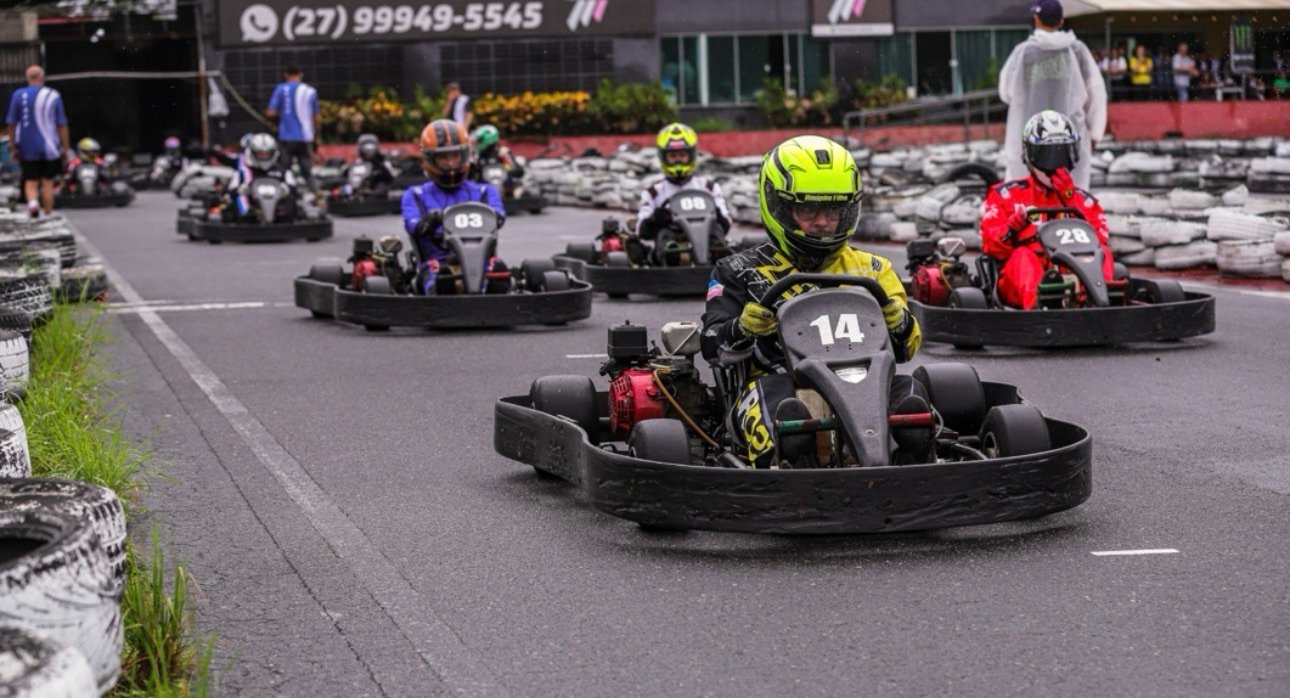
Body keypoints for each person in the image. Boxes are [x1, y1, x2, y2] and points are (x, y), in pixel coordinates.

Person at [699, 135, 924, 469]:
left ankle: (914, 459)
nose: (821, 221)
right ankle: (794, 463)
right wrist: (742, 327)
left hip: (868, 381)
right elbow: (711, 346)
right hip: (780, 381)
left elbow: (905, 351)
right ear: (779, 207)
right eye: (808, 209)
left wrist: (899, 322)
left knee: (913, 397)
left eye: (833, 210)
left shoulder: (874, 270)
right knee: (785, 410)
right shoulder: (738, 271)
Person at [980, 110, 1113, 311]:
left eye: (1062, 154)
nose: (1056, 164)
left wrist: (1069, 198)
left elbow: (1099, 239)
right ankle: (1041, 306)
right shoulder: (1006, 196)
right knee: (1023, 256)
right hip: (1021, 280)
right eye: (1049, 155)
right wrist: (1014, 227)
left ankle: (1103, 304)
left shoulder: (1083, 201)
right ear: (1031, 156)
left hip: (1076, 270)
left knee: (1103, 252)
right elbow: (993, 248)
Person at [998, 0, 1106, 189]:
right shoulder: (1077, 50)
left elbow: (1007, 92)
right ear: (1061, 21)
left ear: (1036, 20)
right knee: (1071, 192)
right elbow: (1095, 91)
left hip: (1030, 135)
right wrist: (1096, 132)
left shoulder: (1024, 52)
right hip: (1070, 136)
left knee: (1028, 192)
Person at [401, 119, 505, 295]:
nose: (450, 163)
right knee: (437, 276)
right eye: (443, 157)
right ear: (430, 159)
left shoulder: (484, 191)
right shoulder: (415, 194)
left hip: (481, 261)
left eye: (454, 156)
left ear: (464, 155)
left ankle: (495, 286)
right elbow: (413, 226)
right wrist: (429, 220)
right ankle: (442, 291)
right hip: (437, 262)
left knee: (498, 269)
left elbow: (499, 217)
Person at [635, 122, 733, 265]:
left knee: (716, 229)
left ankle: (719, 260)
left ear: (691, 155)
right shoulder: (654, 192)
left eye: (682, 155)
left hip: (705, 240)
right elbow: (640, 230)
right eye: (673, 156)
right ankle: (671, 262)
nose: (678, 160)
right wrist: (654, 219)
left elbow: (726, 224)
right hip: (671, 244)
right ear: (664, 157)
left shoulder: (708, 187)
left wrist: (715, 213)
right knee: (664, 234)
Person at [5, 65, 70, 217]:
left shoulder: (18, 95)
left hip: (27, 147)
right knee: (48, 181)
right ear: (42, 77)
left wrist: (13, 145)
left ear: (27, 78)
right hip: (50, 147)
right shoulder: (53, 95)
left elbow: (11, 124)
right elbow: (61, 124)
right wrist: (65, 148)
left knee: (31, 180)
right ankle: (48, 213)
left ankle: (33, 203)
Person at [221, 132, 300, 221]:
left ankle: (287, 221)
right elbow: (231, 190)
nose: (263, 157)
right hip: (253, 210)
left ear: (273, 153)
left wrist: (286, 189)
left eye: (267, 154)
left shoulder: (283, 171)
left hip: (279, 209)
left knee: (291, 198)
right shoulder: (243, 171)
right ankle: (245, 217)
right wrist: (242, 190)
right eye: (260, 154)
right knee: (238, 198)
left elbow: (294, 188)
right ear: (253, 153)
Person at [266, 64, 319, 185]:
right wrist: (315, 136)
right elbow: (316, 117)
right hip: (305, 137)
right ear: (301, 75)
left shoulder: (281, 89)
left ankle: (285, 195)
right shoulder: (310, 91)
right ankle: (314, 194)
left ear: (286, 75)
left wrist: (282, 114)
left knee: (284, 170)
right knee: (307, 170)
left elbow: (270, 113)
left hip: (286, 137)